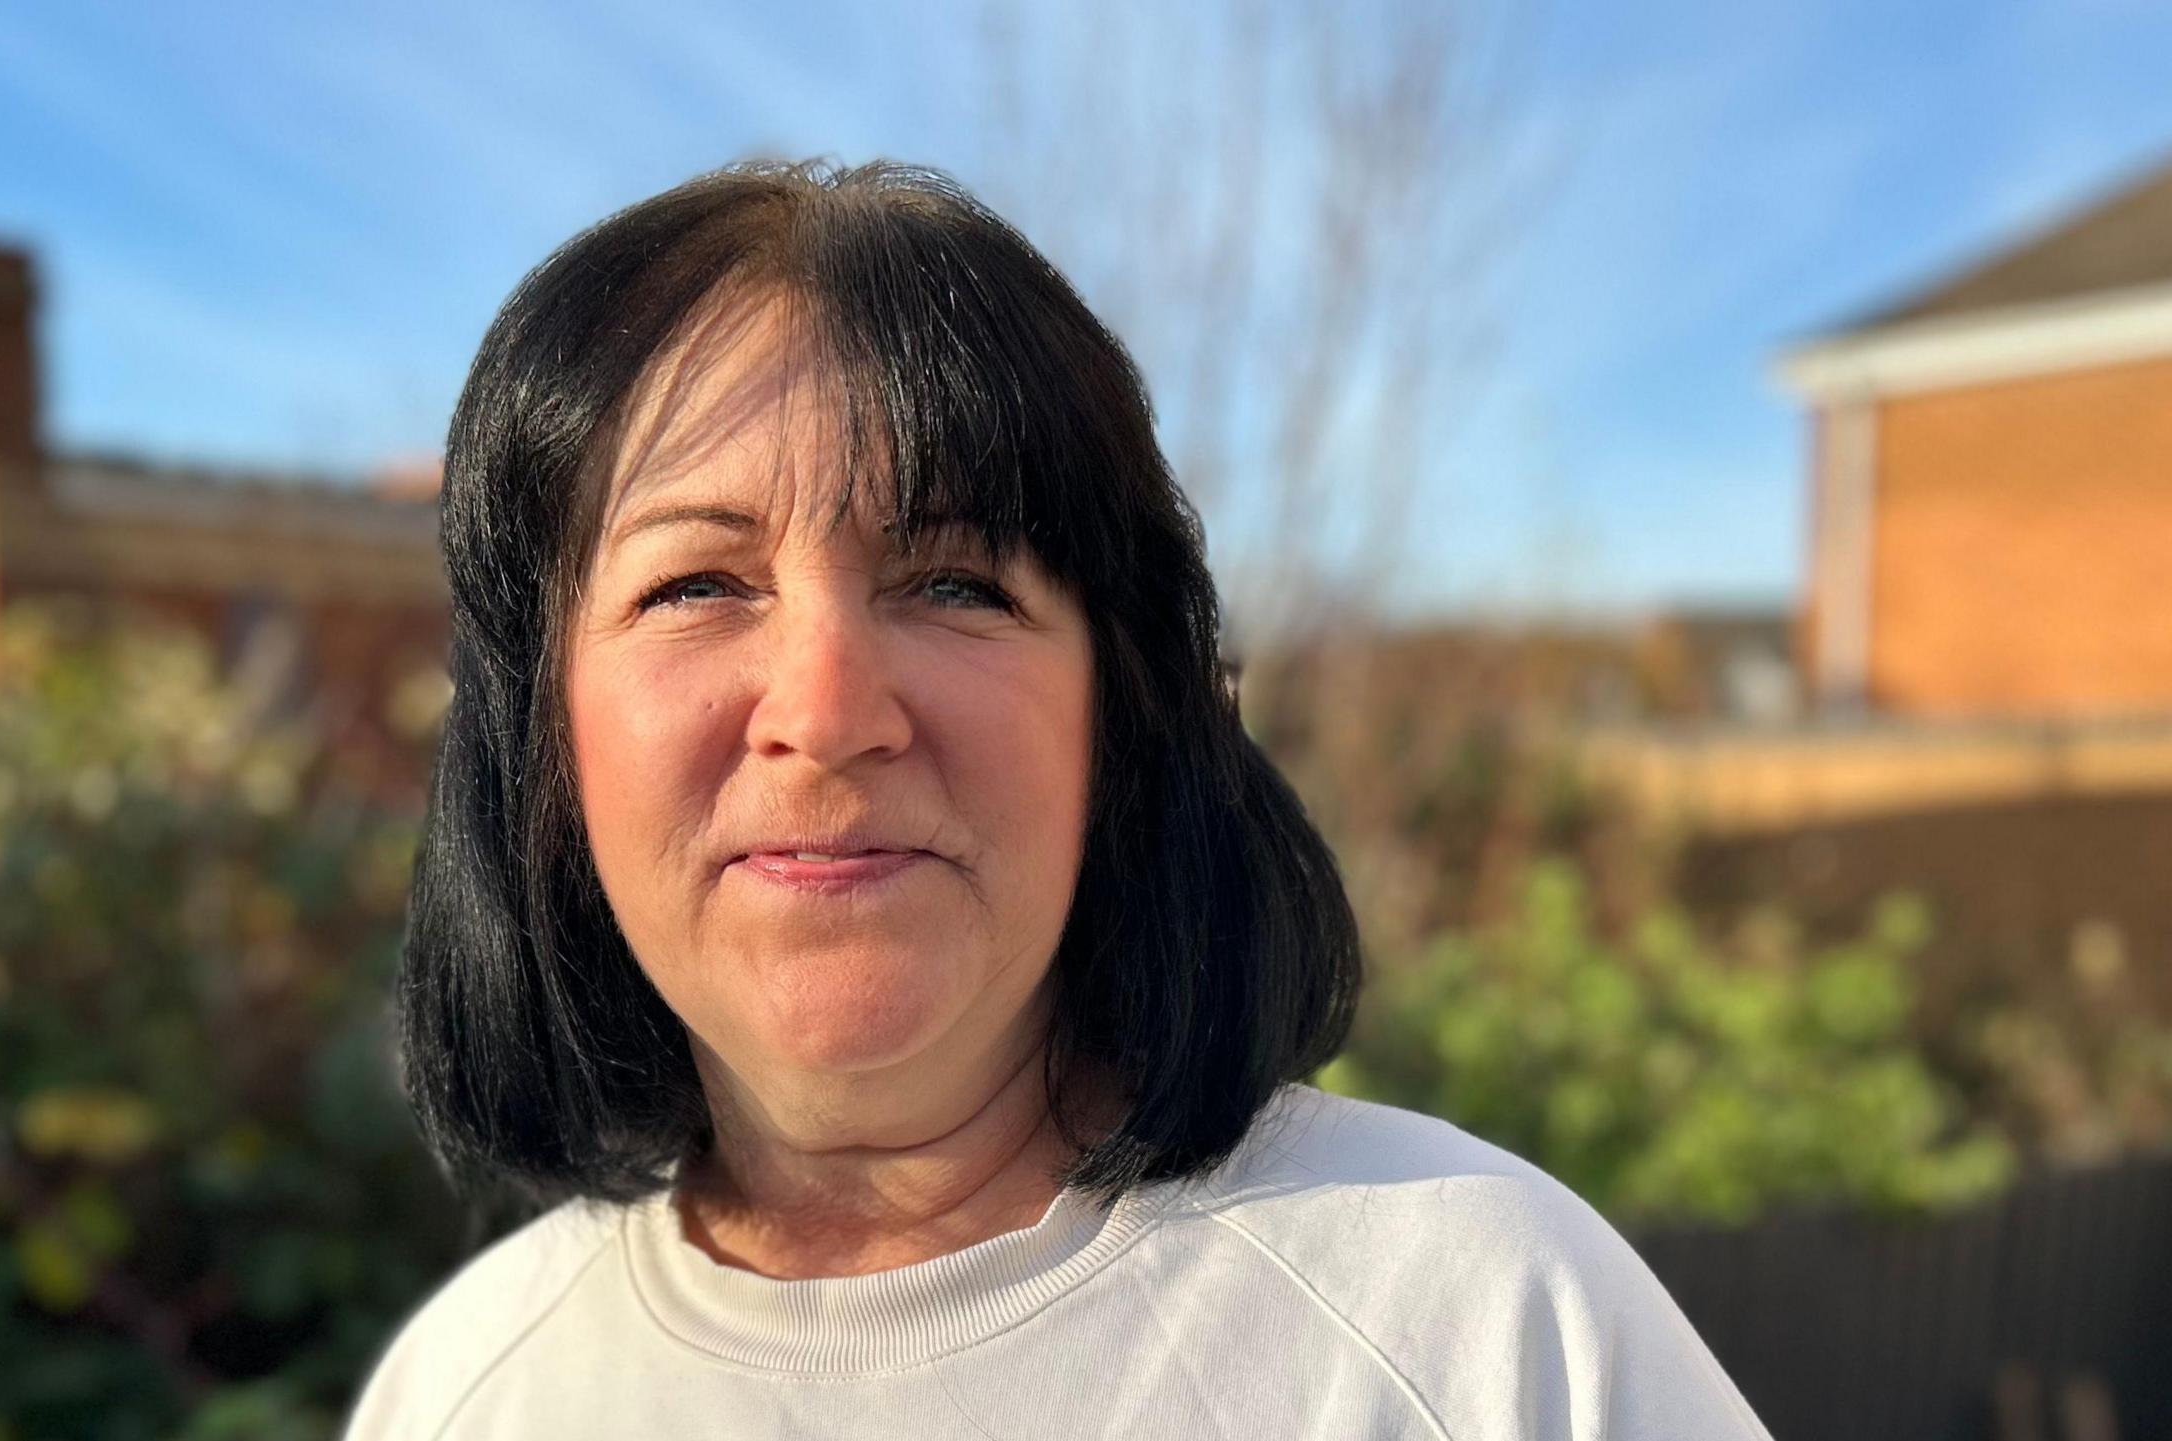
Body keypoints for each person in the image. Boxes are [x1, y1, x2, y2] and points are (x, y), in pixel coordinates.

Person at [344, 159, 1773, 1439]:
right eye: (697, 584)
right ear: (542, 741)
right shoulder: (468, 1392)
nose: (828, 716)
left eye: (955, 582)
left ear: (1126, 708)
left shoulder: (1485, 1323)